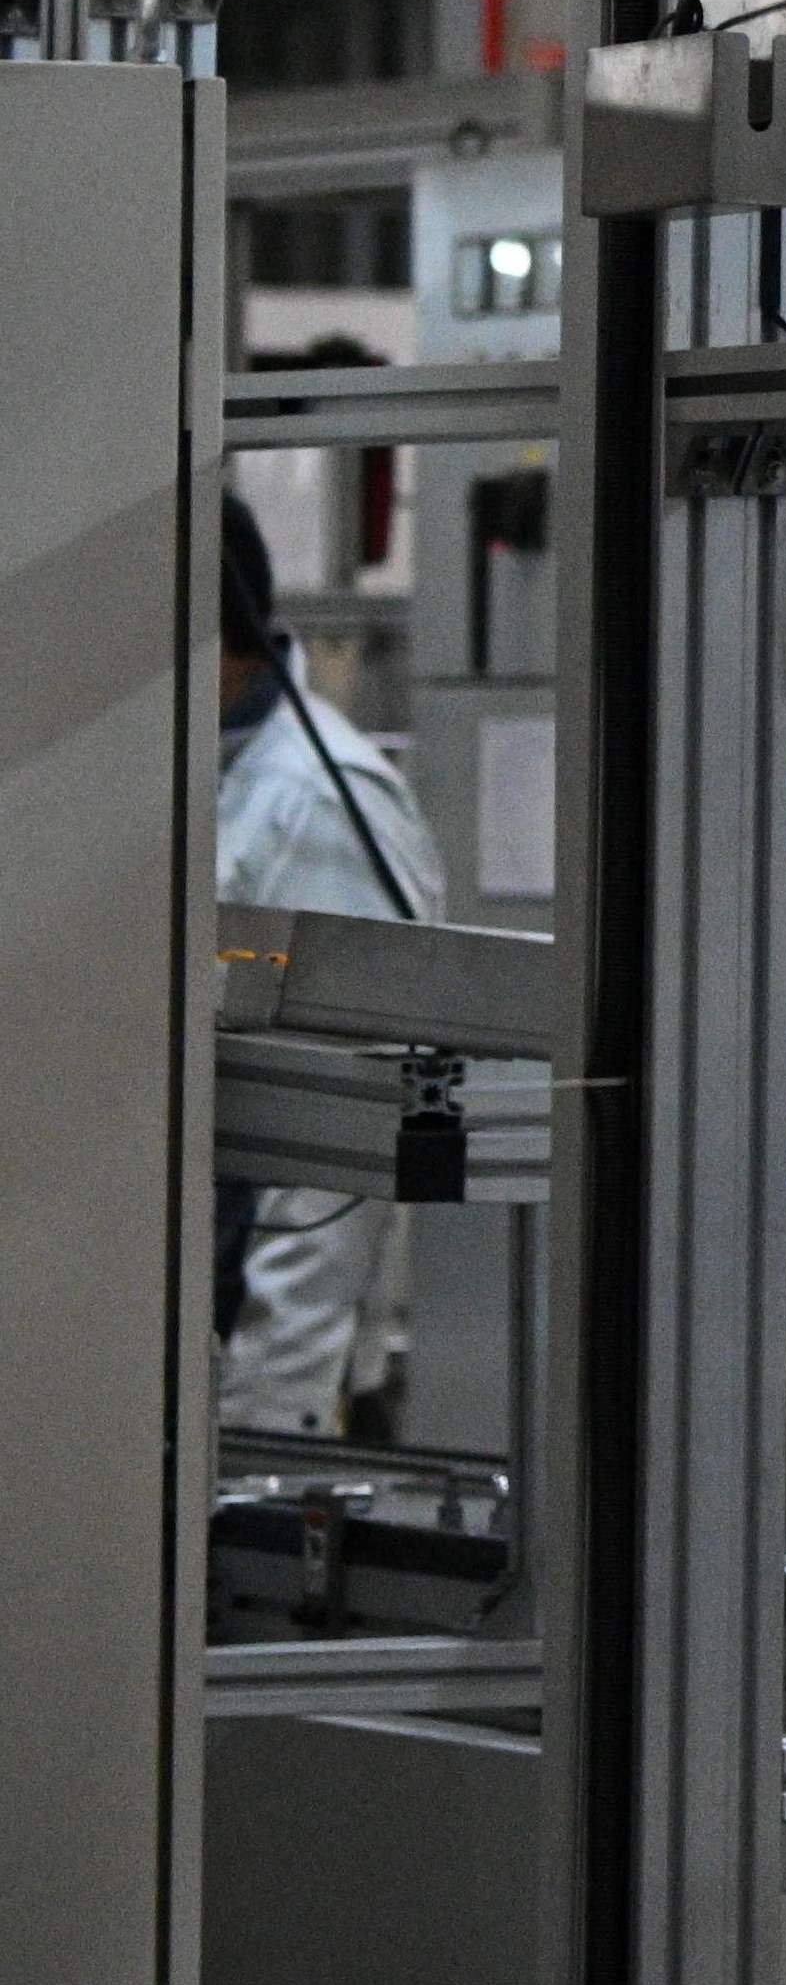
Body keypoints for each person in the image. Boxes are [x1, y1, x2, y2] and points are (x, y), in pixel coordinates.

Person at [210, 494, 452, 1436]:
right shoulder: (191, 775)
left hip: (256, 1374)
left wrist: (268, 1418)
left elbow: (337, 1152)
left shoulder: (315, 803)